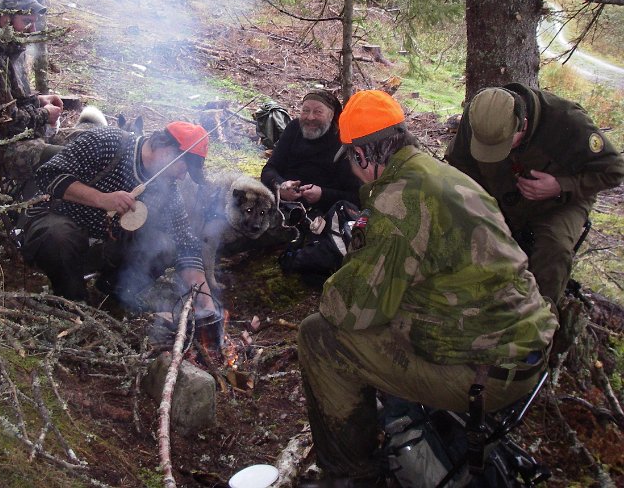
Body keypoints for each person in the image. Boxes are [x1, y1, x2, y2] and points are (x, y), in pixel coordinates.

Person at [297, 90, 558, 487]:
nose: (351, 168)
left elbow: (349, 309)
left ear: (362, 155)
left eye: (350, 159)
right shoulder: (440, 174)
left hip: (485, 374)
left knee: (318, 336)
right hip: (526, 346)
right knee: (389, 312)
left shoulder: (399, 200)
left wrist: (344, 270)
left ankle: (350, 475)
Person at [445, 83, 624, 305]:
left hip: (559, 202)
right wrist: (478, 205)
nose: (495, 152)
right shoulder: (480, 116)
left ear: (524, 124)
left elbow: (614, 171)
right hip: (500, 193)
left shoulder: (567, 121)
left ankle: (539, 317)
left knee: (554, 248)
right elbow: (459, 163)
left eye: (503, 145)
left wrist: (560, 185)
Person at [18, 121, 215, 319]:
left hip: (103, 247)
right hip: (54, 225)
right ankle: (74, 305)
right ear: (168, 151)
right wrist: (101, 199)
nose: (182, 177)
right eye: (183, 169)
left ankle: (113, 292)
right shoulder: (107, 142)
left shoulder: (168, 191)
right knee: (59, 235)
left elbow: (185, 244)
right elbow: (48, 174)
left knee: (164, 245)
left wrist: (205, 298)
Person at [0, 0, 64, 181]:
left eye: (34, 22)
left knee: (91, 142)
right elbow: (6, 122)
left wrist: (38, 100)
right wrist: (44, 115)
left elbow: (14, 101)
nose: (32, 29)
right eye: (27, 21)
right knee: (68, 159)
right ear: (5, 19)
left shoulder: (12, 49)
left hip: (22, 137)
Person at [261, 90, 361, 217]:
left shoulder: (343, 142)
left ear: (331, 115)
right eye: (306, 110)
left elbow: (355, 197)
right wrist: (280, 186)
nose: (310, 117)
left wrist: (322, 194)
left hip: (323, 216)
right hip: (281, 206)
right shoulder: (294, 128)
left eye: (318, 112)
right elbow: (269, 169)